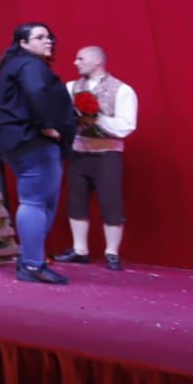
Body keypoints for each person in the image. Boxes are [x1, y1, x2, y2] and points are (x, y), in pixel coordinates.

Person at [0, 23, 79, 285]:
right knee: (36, 200)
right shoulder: (29, 66)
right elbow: (37, 93)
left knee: (43, 200)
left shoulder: (20, 64)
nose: (48, 40)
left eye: (48, 36)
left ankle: (30, 259)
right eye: (39, 37)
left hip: (20, 138)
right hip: (31, 138)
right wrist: (47, 125)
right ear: (23, 43)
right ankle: (32, 264)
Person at [55, 45, 138, 271]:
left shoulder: (122, 90)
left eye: (80, 58)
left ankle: (112, 252)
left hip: (107, 154)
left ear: (96, 61)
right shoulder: (70, 88)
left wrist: (97, 118)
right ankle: (79, 249)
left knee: (111, 202)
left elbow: (126, 126)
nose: (75, 62)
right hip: (79, 152)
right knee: (76, 200)